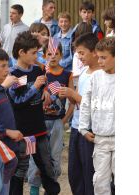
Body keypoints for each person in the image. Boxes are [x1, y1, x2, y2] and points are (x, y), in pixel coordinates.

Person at [8, 31, 60, 195]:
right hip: (22, 133)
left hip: (39, 130)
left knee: (46, 165)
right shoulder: (12, 75)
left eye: (37, 52)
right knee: (20, 169)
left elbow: (52, 85)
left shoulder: (39, 69)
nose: (36, 56)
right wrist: (35, 87)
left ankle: (52, 191)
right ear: (21, 53)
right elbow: (17, 102)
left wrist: (48, 93)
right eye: (33, 53)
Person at [28, 42, 74, 195]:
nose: (53, 57)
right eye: (49, 54)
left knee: (54, 158)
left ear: (62, 55)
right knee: (34, 159)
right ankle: (34, 190)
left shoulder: (68, 74)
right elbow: (29, 58)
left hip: (57, 123)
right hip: (37, 123)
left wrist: (64, 120)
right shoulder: (41, 71)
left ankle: (51, 190)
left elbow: (72, 101)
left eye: (56, 54)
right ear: (44, 55)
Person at [59, 33, 101, 195]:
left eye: (82, 53)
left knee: (89, 173)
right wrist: (68, 94)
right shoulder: (84, 71)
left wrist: (73, 94)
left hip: (90, 130)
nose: (79, 56)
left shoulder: (100, 76)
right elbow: (77, 98)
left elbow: (97, 105)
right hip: (76, 127)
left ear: (95, 52)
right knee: (74, 173)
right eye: (77, 52)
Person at [78, 37, 115, 195]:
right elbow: (85, 103)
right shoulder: (95, 77)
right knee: (100, 181)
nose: (99, 61)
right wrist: (83, 128)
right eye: (98, 56)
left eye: (104, 57)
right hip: (100, 137)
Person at [0, 48, 24, 194]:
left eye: (7, 65)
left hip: (5, 153)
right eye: (2, 66)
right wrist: (8, 132)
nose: (7, 70)